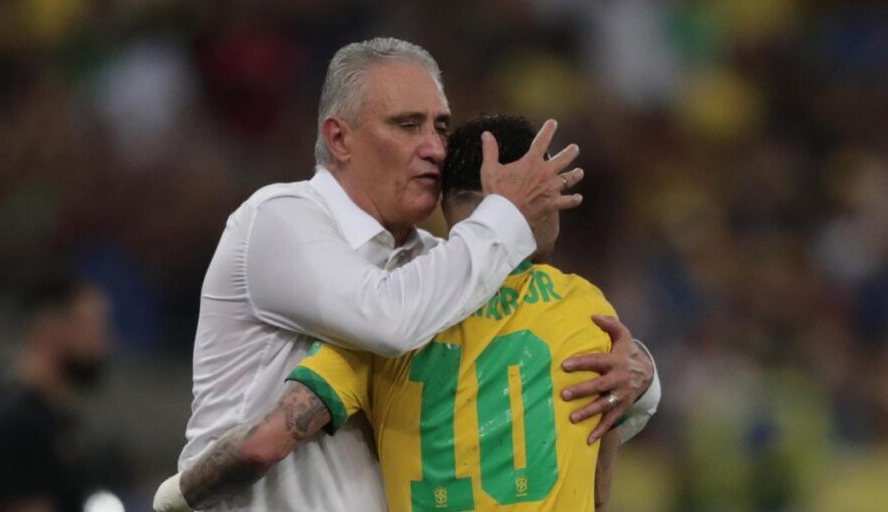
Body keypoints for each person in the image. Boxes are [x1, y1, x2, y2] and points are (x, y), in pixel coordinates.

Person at [171, 37, 659, 511]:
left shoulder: (433, 266)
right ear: (339, 138)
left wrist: (637, 373)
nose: (434, 148)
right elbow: (388, 320)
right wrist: (508, 213)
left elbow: (525, 350)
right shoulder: (282, 218)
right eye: (407, 125)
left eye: (441, 127)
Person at [0, 276, 123, 512]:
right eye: (94, 326)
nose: (105, 342)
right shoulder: (18, 423)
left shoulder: (59, 419)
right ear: (50, 327)